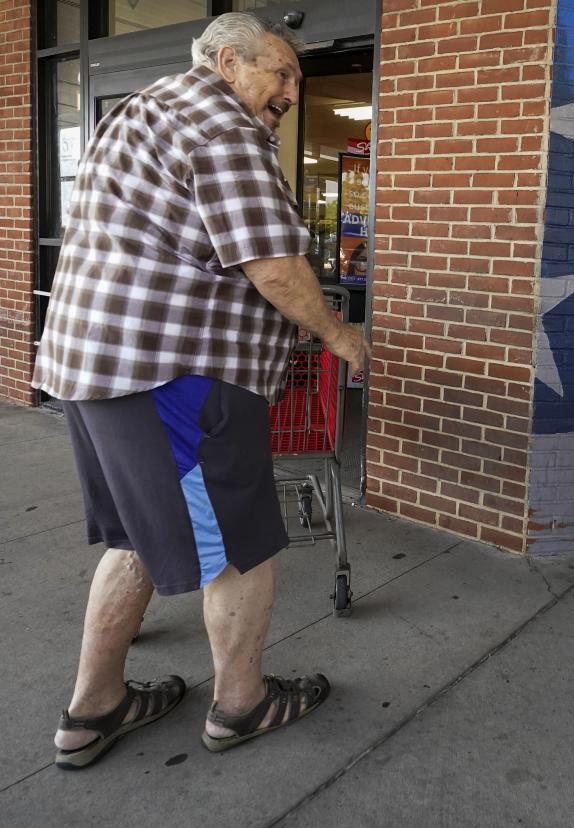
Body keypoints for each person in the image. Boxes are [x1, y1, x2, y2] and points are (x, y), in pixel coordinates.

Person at [31, 12, 370, 768]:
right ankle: (242, 704)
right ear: (227, 62)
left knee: (136, 539)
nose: (290, 89)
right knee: (241, 548)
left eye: (295, 78)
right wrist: (340, 336)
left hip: (100, 373)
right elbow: (273, 265)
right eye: (279, 72)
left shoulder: (141, 110)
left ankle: (95, 708)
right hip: (175, 376)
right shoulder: (222, 125)